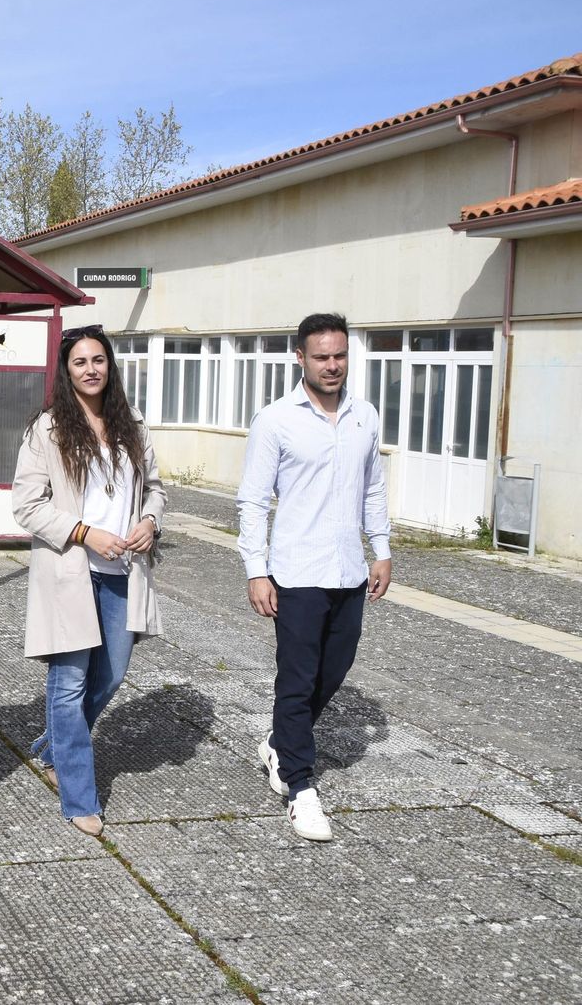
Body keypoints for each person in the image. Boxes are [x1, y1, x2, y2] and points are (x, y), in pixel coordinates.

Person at [237, 312, 391, 842]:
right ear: (299, 357)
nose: (332, 365)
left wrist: (382, 549)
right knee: (298, 679)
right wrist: (257, 571)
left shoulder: (364, 416)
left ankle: (281, 741)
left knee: (334, 671)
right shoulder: (276, 420)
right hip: (296, 571)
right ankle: (300, 787)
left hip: (348, 569)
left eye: (340, 355)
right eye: (321, 356)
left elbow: (373, 488)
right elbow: (253, 502)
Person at [11, 324, 165, 837]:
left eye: (98, 360)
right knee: (70, 683)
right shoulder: (49, 429)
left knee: (113, 676)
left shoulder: (133, 424)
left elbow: (157, 490)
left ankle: (53, 745)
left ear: (110, 365)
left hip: (124, 573)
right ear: (67, 370)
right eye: (80, 362)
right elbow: (26, 506)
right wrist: (84, 533)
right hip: (71, 574)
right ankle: (79, 796)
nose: (91, 369)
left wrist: (149, 522)